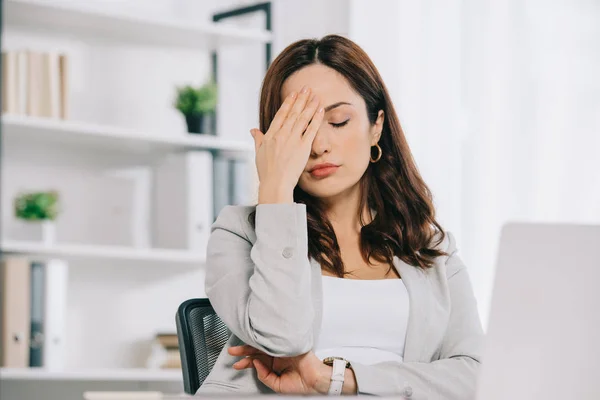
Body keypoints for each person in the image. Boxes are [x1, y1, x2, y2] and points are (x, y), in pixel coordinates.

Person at [197, 35, 483, 398]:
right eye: (300, 128)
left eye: (338, 120)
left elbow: (475, 376)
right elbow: (281, 337)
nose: (318, 145)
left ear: (376, 126)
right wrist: (275, 193)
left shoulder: (430, 247)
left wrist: (339, 379)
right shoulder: (240, 232)